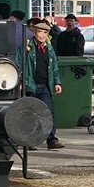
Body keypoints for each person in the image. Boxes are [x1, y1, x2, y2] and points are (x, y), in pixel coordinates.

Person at [22, 19, 64, 149]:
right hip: (31, 85)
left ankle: (51, 140)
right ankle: (31, 140)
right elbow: (19, 63)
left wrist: (57, 82)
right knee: (31, 113)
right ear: (35, 33)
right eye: (40, 32)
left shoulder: (49, 49)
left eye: (45, 32)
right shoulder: (27, 48)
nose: (43, 35)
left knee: (48, 112)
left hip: (45, 85)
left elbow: (54, 67)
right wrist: (21, 81)